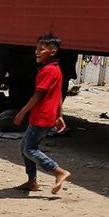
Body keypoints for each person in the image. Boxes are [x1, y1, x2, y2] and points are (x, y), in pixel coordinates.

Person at [13, 33, 71, 194]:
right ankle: (32, 181)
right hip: (48, 115)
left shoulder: (48, 70)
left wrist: (21, 113)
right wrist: (59, 115)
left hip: (41, 116)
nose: (37, 52)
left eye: (42, 49)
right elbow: (58, 94)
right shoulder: (56, 69)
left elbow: (37, 95)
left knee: (29, 149)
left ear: (52, 52)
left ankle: (58, 171)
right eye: (36, 48)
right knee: (24, 146)